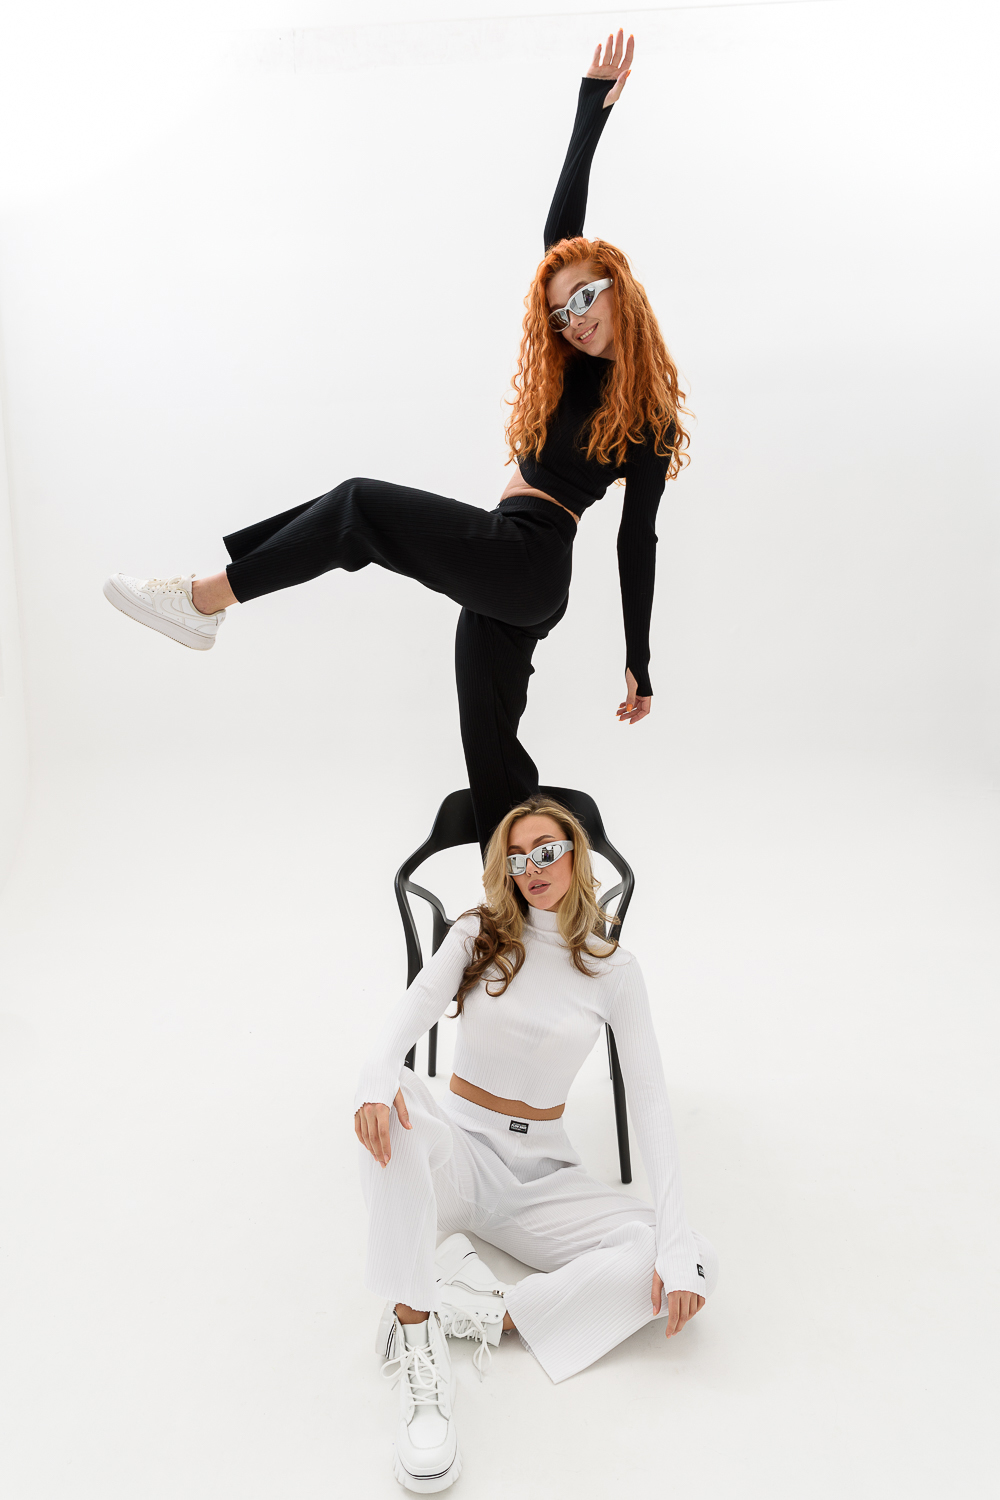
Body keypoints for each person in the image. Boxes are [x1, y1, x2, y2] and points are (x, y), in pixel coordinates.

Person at [102, 32, 690, 848]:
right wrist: (590, 107)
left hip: (528, 561)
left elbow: (636, 538)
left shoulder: (649, 418)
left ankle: (205, 599)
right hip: (508, 568)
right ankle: (526, 897)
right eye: (561, 311)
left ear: (619, 286)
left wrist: (639, 658)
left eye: (586, 297)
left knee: (359, 509)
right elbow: (560, 230)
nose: (574, 318)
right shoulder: (573, 367)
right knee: (490, 750)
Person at [355, 796, 717, 1493]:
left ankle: (484, 1310)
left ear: (575, 855)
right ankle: (416, 1325)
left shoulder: (614, 969)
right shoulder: (477, 934)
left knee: (695, 1259)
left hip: (543, 1179)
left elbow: (649, 1103)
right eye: (518, 859)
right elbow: (414, 1007)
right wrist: (375, 1078)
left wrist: (673, 1247)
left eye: (547, 851)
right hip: (460, 1152)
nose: (533, 868)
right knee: (393, 1092)